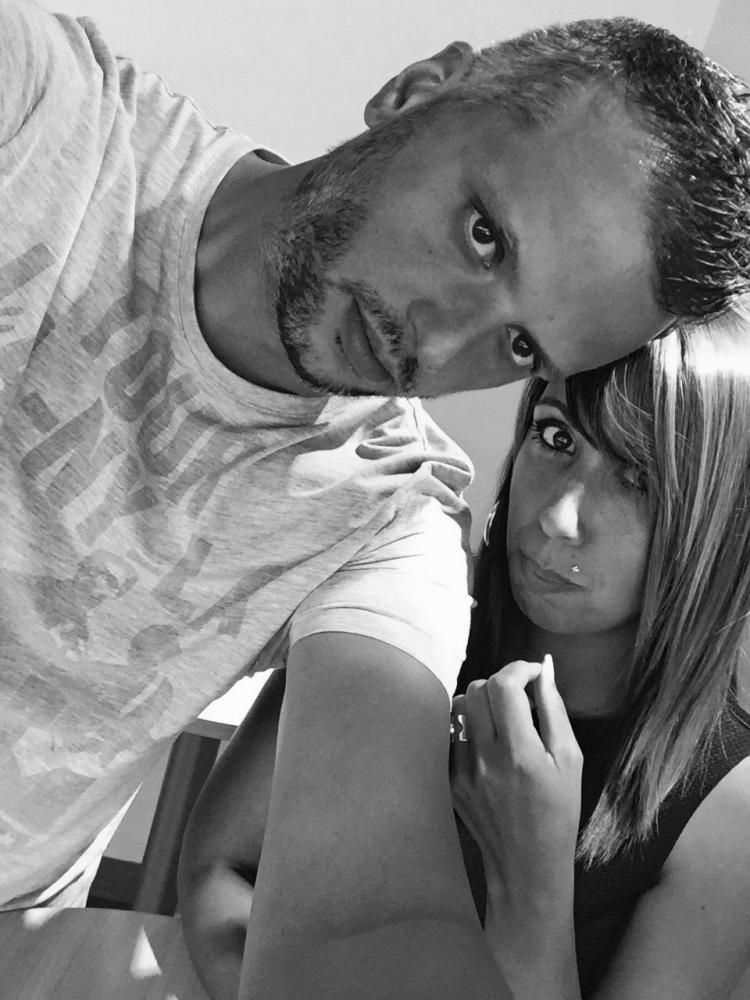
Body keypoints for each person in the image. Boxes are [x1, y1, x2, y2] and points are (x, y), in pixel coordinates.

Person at [1, 0, 750, 994]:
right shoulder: (41, 114)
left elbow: (368, 909)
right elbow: (226, 874)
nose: (432, 343)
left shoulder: (393, 514)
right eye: (483, 236)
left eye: (518, 344)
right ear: (418, 90)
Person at [180, 300, 750, 1000]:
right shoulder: (404, 606)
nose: (558, 516)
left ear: (719, 522)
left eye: (639, 480)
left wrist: (532, 881)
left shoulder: (728, 801)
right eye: (556, 438)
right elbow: (222, 871)